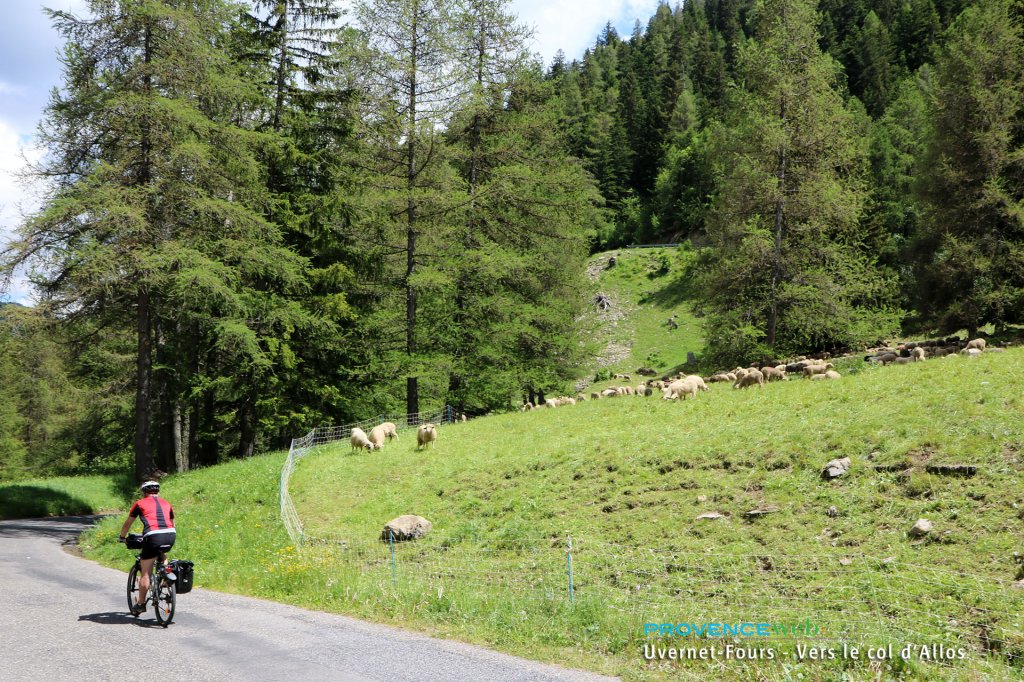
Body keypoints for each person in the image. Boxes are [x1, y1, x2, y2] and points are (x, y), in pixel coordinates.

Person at [119, 480, 176, 616]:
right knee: (161, 554)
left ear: (144, 492)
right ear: (158, 491)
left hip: (153, 536)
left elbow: (128, 523)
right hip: (170, 535)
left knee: (145, 573)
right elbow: (172, 523)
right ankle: (165, 577)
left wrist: (122, 537)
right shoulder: (167, 503)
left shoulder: (139, 503)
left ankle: (140, 604)